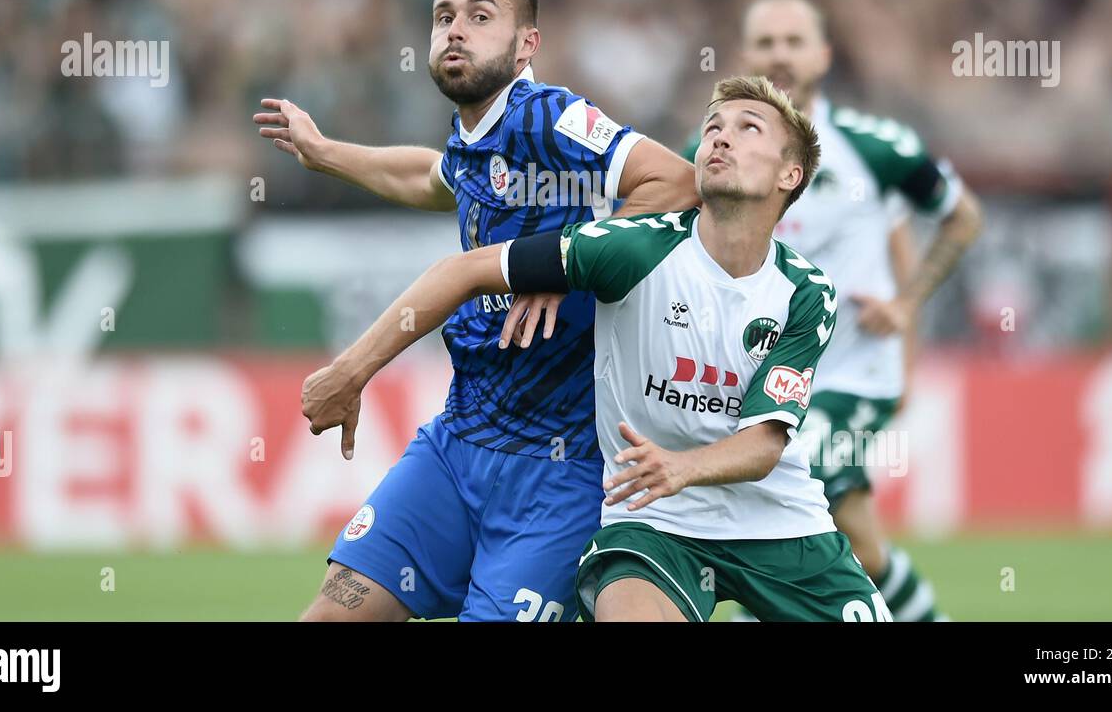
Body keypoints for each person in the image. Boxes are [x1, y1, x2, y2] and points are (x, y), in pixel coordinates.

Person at [310, 76, 893, 622]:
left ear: (791, 175)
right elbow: (460, 270)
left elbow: (765, 444)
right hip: (652, 521)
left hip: (777, 522)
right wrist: (353, 369)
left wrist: (682, 467)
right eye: (714, 124)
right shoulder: (631, 250)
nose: (720, 134)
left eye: (748, 128)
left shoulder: (805, 291)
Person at [254, 0, 697, 621]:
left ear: (527, 45)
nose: (455, 29)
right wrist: (326, 153)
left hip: (559, 465)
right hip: (459, 443)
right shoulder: (474, 135)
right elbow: (434, 178)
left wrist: (567, 261)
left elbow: (677, 183)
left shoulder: (548, 116)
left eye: (480, 16)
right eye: (444, 16)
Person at [683, 0, 983, 621]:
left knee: (764, 494)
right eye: (765, 43)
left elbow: (959, 217)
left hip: (851, 377)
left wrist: (907, 307)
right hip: (757, 383)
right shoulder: (707, 154)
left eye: (794, 41)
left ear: (824, 54)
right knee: (863, 549)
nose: (780, 55)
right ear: (746, 57)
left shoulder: (874, 149)